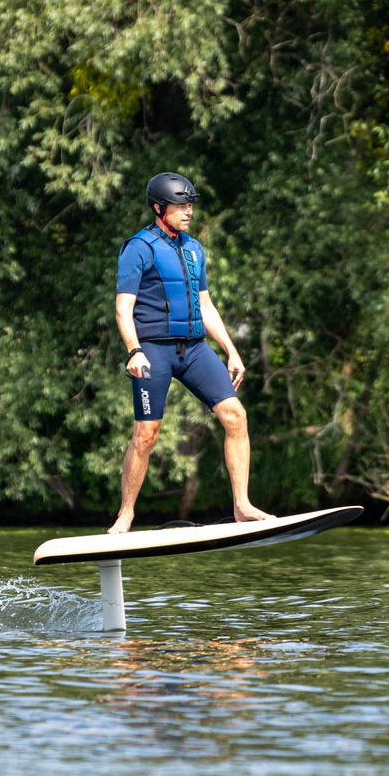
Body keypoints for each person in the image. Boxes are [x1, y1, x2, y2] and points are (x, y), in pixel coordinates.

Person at [109, 172, 273, 534]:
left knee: (236, 416)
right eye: (181, 206)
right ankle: (125, 515)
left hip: (194, 350)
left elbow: (206, 305)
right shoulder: (138, 247)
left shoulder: (194, 248)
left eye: (190, 206)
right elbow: (123, 309)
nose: (188, 212)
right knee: (147, 433)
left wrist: (231, 350)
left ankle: (242, 506)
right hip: (152, 351)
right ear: (158, 208)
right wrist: (134, 351)